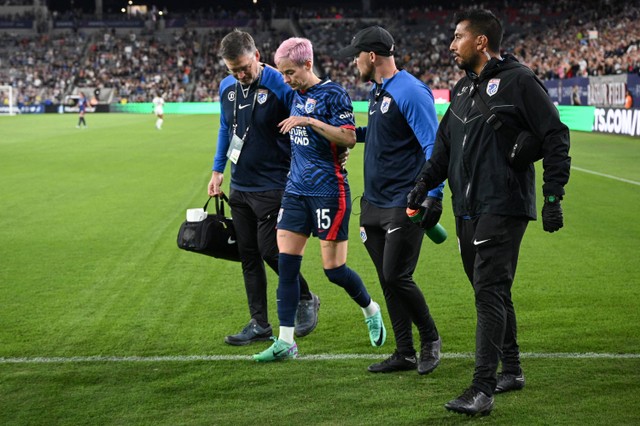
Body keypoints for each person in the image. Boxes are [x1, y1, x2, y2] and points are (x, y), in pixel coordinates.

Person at [407, 9, 571, 416]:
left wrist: (553, 197)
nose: (450, 44)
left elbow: (555, 134)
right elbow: (443, 150)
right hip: (468, 208)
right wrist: (420, 187)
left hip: (503, 204)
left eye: (458, 36)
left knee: (490, 291)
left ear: (481, 42)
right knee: (490, 290)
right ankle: (511, 369)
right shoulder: (462, 91)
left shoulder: (519, 80)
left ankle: (482, 389)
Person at [253, 37, 387, 362]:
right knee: (286, 266)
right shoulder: (295, 93)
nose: (286, 80)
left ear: (308, 64)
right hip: (296, 191)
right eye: (282, 73)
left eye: (290, 72)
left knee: (334, 269)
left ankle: (370, 309)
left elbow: (350, 137)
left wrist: (310, 121)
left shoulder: (333, 94)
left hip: (329, 191)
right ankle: (286, 342)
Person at [337, 26, 444, 375]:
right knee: (387, 279)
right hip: (374, 203)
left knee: (396, 275)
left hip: (404, 201)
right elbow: (385, 135)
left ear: (371, 56)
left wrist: (433, 196)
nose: (354, 62)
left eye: (357, 56)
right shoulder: (378, 90)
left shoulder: (411, 91)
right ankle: (404, 352)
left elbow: (434, 147)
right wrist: (345, 136)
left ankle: (430, 339)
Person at [209, 30, 320, 346]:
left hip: (275, 183)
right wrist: (218, 170)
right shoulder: (226, 88)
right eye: (234, 70)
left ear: (257, 56)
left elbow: (305, 122)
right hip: (240, 184)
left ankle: (305, 296)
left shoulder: (280, 84)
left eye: (245, 67)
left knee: (271, 249)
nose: (241, 75)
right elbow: (224, 128)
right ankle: (259, 323)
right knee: (248, 255)